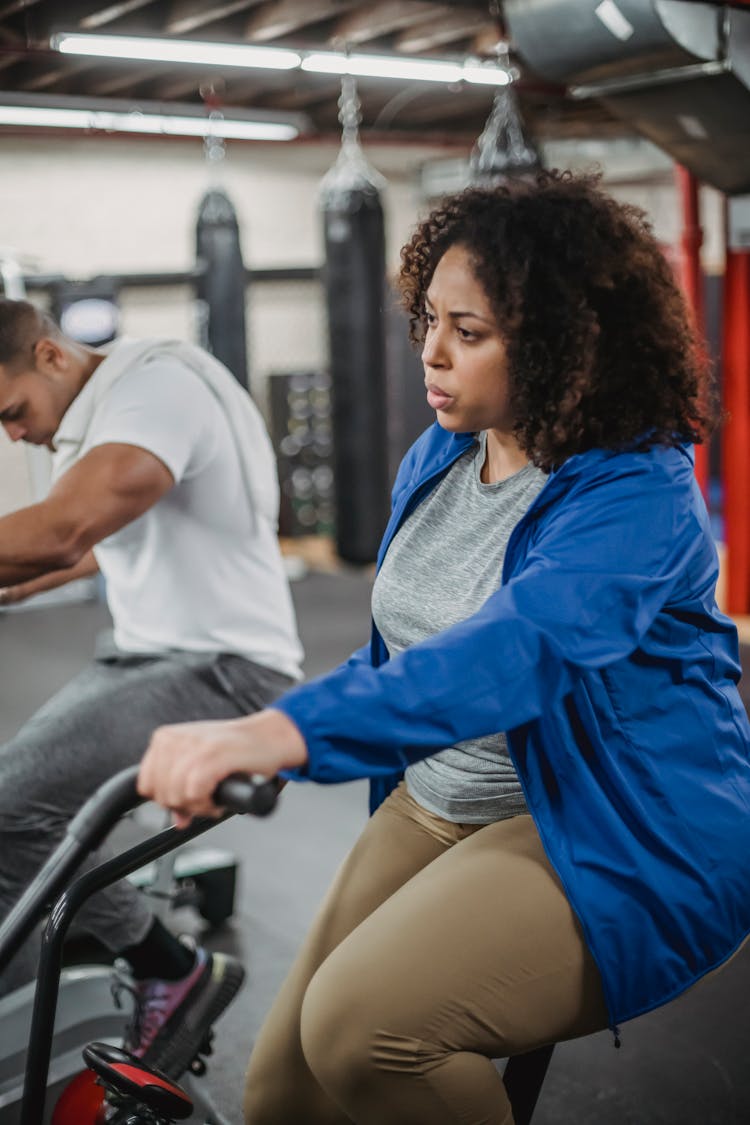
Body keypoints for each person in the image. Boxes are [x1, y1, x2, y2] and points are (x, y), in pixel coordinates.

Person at [137, 170, 750, 1125]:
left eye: (469, 333)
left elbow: (519, 651)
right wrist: (260, 736)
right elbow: (401, 653)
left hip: (609, 818)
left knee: (363, 1030)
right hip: (445, 794)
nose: (430, 353)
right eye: (428, 319)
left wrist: (288, 737)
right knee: (283, 1095)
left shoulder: (637, 490)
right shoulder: (443, 452)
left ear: (560, 345)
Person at [0, 300, 304, 1078]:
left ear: (52, 357)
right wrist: (24, 584)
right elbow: (104, 542)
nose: (12, 433)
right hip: (148, 657)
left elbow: (68, 526)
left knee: (9, 812)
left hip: (223, 671)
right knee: (14, 810)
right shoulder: (114, 406)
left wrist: (46, 555)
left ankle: (172, 966)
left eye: (12, 410)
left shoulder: (155, 389)